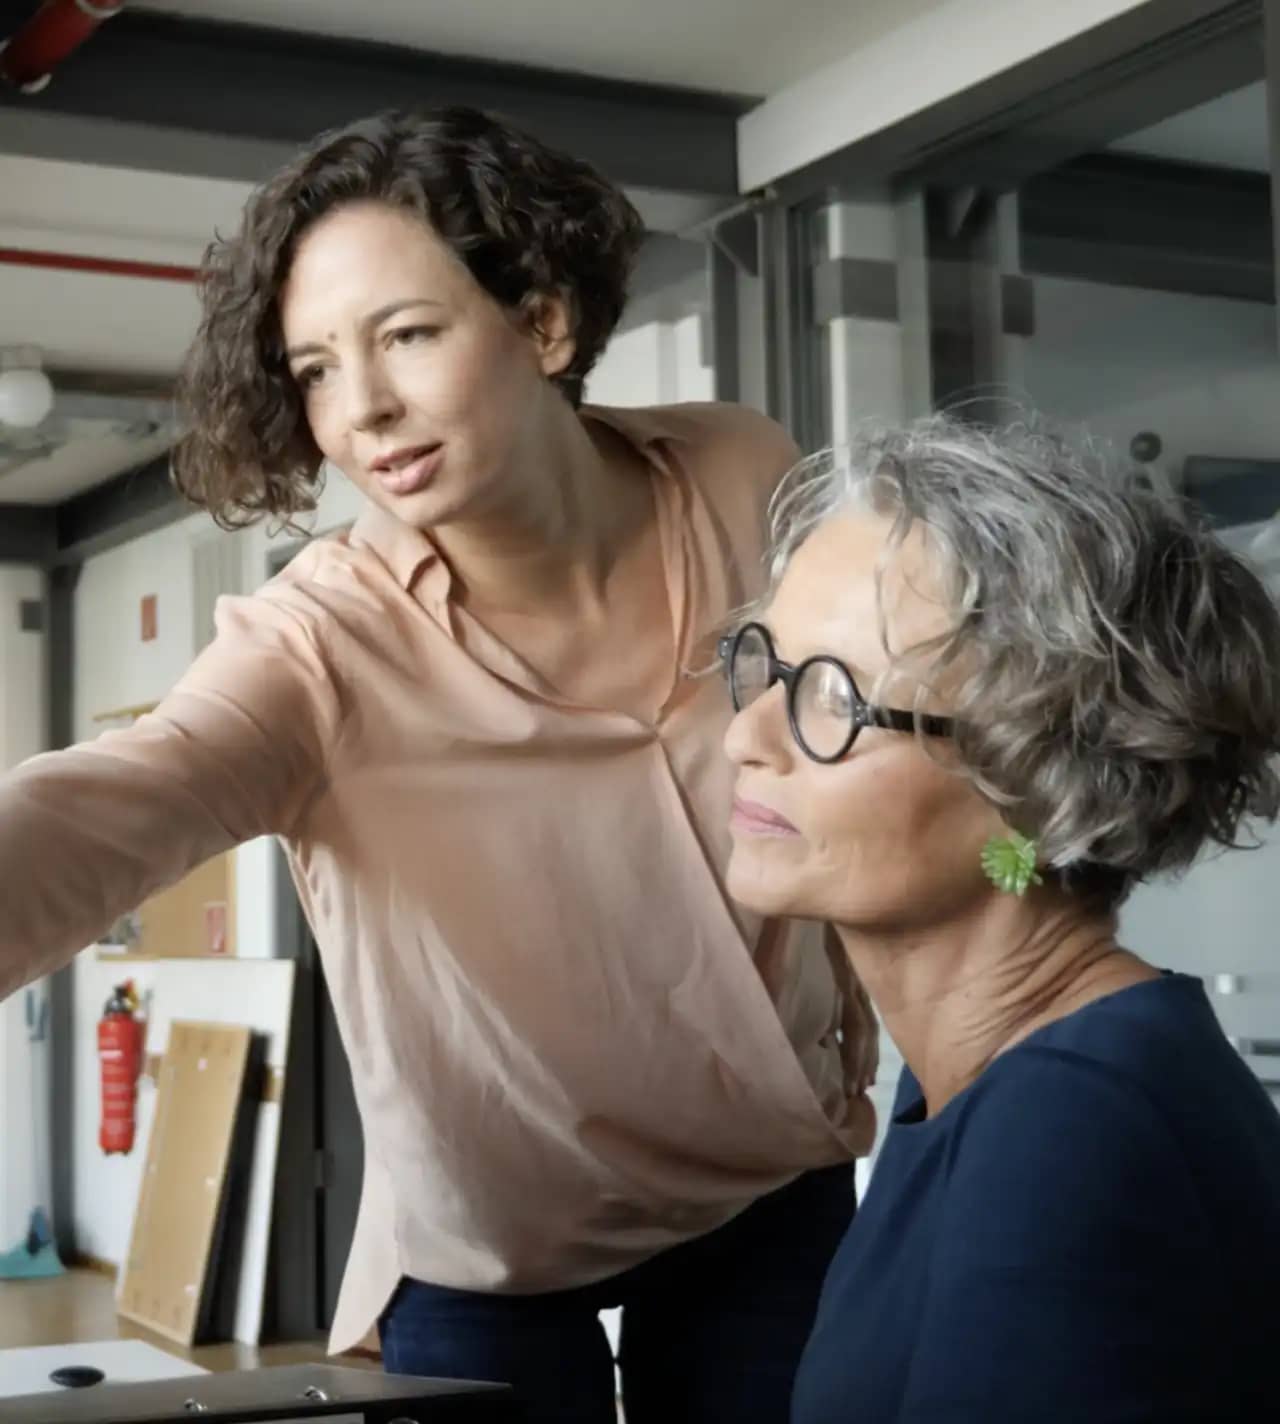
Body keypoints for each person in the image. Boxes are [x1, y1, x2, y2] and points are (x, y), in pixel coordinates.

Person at [0, 107, 875, 1423]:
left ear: (544, 322)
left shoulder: (739, 472)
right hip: (486, 1244)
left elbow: (908, 740)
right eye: (315, 369)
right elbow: (122, 799)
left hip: (768, 1185)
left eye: (406, 335)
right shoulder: (318, 643)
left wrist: (1009, 881)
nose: (362, 410)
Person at [720, 416, 1280, 1422]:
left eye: (834, 698)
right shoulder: (975, 1078)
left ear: (1031, 781)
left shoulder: (1071, 1122)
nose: (744, 739)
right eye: (766, 667)